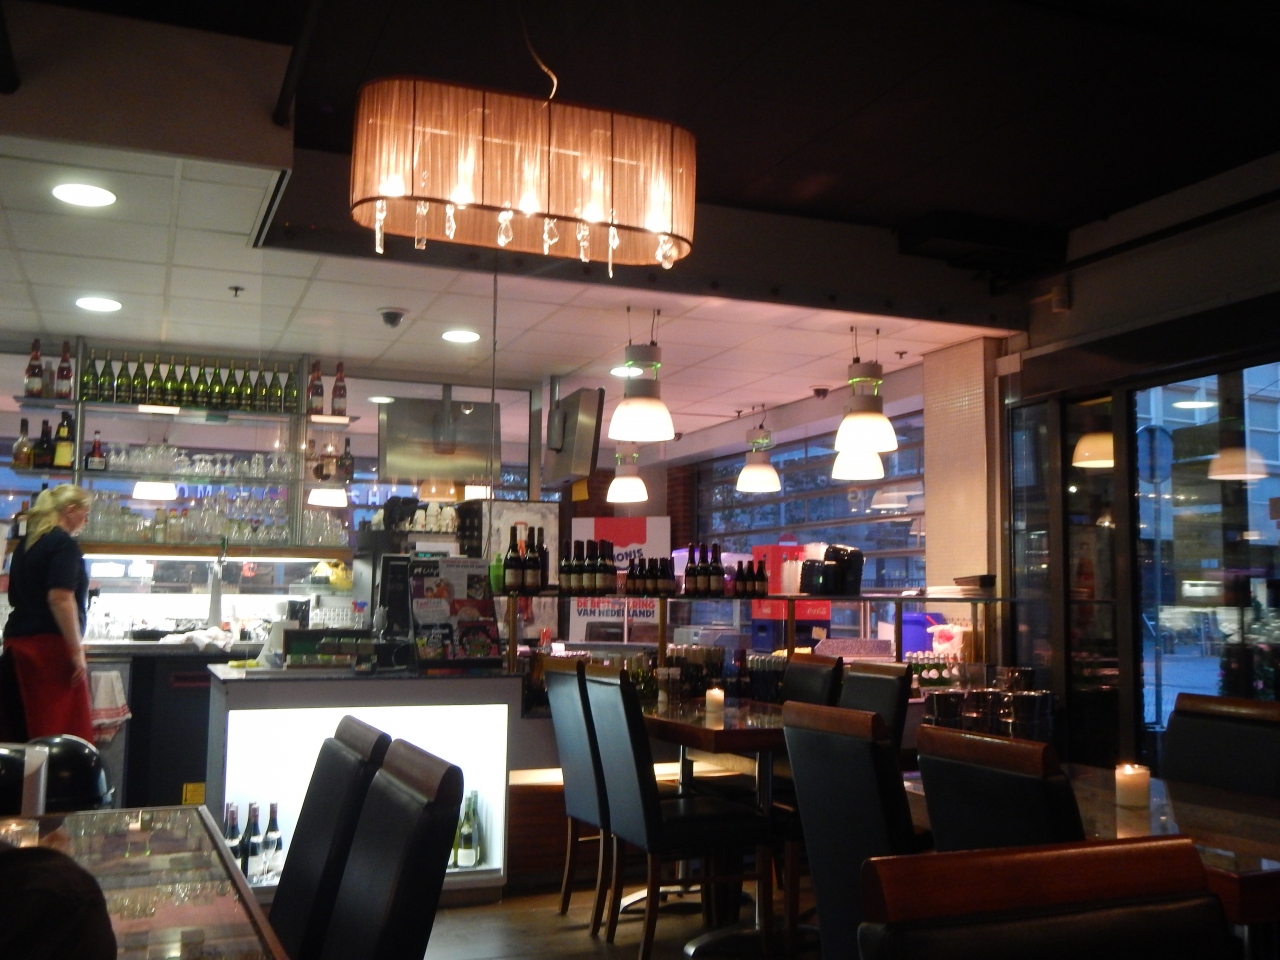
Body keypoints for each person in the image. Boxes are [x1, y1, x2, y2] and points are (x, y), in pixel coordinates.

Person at [0, 484, 93, 743]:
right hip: (48, 650)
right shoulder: (63, 544)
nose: (86, 521)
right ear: (70, 510)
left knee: (21, 732)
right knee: (57, 736)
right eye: (85, 514)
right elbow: (60, 598)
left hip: (17, 646)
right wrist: (76, 652)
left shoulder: (27, 544)